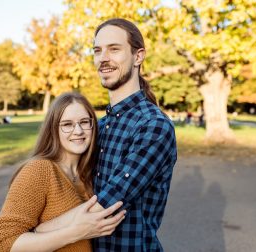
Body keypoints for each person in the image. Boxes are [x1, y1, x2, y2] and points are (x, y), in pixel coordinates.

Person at [0, 92, 126, 252]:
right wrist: (76, 232)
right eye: (67, 124)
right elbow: (5, 242)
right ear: (54, 129)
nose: (79, 131)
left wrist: (43, 229)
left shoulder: (92, 174)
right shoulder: (40, 170)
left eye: (84, 122)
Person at [91, 18, 178, 251]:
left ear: (138, 56)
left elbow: (103, 207)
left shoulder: (154, 126)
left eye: (114, 49)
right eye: (97, 50)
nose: (103, 58)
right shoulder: (98, 126)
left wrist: (36, 234)